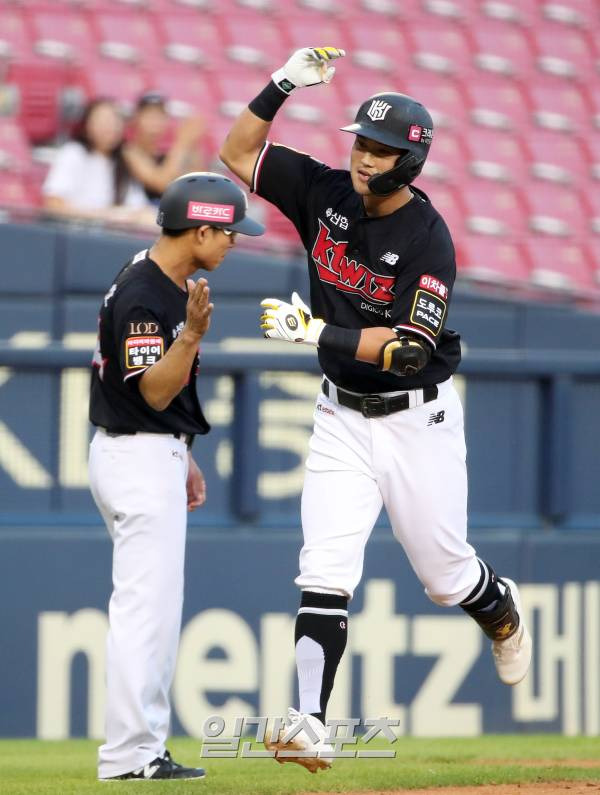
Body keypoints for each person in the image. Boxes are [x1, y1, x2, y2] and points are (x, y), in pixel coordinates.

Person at [220, 47, 533, 773]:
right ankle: (310, 720)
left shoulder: (428, 238)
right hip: (339, 416)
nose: (364, 157)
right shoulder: (324, 190)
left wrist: (315, 332)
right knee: (323, 566)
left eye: (382, 148)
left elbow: (412, 351)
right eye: (362, 140)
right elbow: (237, 151)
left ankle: (502, 609)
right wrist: (283, 84)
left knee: (444, 575)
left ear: (410, 162)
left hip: (414, 419)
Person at [88, 171, 264, 781]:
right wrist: (190, 334)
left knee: (154, 612)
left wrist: (180, 450)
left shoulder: (158, 276)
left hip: (144, 450)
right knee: (146, 614)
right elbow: (155, 391)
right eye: (229, 232)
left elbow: (149, 402)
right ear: (200, 228)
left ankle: (141, 751)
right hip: (135, 457)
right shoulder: (147, 291)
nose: (234, 243)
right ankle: (131, 757)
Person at [42, 98, 153, 225]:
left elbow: (139, 208)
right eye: (103, 121)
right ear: (87, 125)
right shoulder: (73, 153)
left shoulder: (124, 160)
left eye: (115, 120)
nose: (111, 126)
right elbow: (53, 205)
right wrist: (105, 216)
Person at [123, 92, 206, 205]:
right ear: (136, 119)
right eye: (149, 116)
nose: (154, 123)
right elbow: (161, 185)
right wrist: (182, 143)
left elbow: (197, 183)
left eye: (160, 116)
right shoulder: (130, 151)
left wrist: (193, 145)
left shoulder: (166, 153)